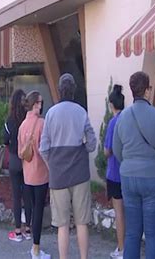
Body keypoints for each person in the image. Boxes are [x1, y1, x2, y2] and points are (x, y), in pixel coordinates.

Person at [113, 71, 155, 259]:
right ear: (147, 91)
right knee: (152, 235)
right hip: (153, 179)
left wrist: (130, 164)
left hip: (128, 178)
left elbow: (117, 150)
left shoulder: (121, 118)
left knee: (132, 233)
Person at [40, 73, 97, 259]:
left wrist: (52, 166)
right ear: (74, 91)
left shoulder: (51, 114)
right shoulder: (81, 112)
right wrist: (84, 148)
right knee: (82, 223)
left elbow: (43, 148)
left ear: (59, 90)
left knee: (62, 225)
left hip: (58, 175)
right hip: (79, 173)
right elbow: (92, 142)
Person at [18, 91, 50, 259]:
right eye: (40, 102)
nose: (41, 105)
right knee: (39, 210)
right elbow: (45, 149)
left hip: (27, 174)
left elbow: (19, 153)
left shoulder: (22, 125)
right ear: (35, 104)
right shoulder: (42, 124)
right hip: (41, 173)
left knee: (32, 208)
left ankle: (34, 246)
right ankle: (36, 249)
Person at [3, 89, 33, 242]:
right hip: (27, 161)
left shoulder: (9, 121)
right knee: (28, 194)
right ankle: (28, 229)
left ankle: (17, 231)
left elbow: (5, 140)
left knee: (16, 196)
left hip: (14, 159)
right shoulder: (28, 120)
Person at [104, 85, 125, 259]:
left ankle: (121, 248)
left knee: (119, 213)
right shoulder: (130, 119)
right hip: (130, 172)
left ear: (111, 105)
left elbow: (107, 150)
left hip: (115, 173)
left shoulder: (113, 122)